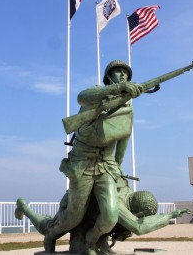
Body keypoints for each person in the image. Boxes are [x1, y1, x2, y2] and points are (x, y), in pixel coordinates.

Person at [16, 60, 144, 255]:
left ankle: (91, 241)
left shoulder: (127, 107)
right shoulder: (97, 95)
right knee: (73, 218)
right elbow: (81, 97)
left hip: (106, 166)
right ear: (109, 76)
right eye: (118, 72)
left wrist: (117, 166)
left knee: (110, 216)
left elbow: (124, 137)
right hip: (82, 163)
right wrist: (119, 88)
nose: (123, 75)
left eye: (126, 74)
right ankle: (49, 233)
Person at [15, 177, 190, 254]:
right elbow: (139, 226)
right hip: (74, 207)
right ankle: (24, 206)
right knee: (49, 229)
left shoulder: (126, 189)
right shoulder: (119, 205)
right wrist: (170, 216)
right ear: (141, 212)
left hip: (89, 214)